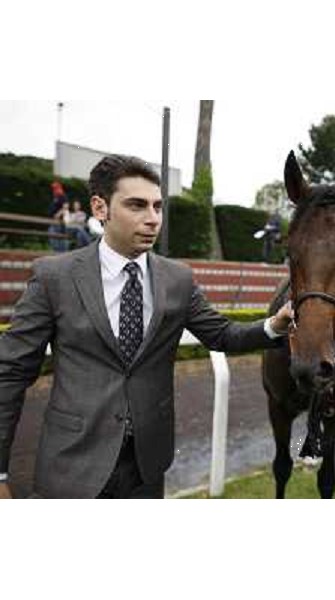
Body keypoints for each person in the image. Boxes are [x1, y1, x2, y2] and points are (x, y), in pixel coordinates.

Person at [0, 154, 293, 499]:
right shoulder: (54, 277)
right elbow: (10, 372)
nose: (153, 219)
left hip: (146, 467)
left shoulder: (177, 278)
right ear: (100, 208)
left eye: (157, 206)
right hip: (71, 465)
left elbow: (222, 334)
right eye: (137, 206)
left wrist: (274, 325)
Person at [48, 181, 69, 252]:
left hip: (59, 221)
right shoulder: (55, 196)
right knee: (54, 235)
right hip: (54, 220)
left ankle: (60, 252)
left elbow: (65, 207)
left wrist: (58, 215)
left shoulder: (62, 196)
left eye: (55, 187)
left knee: (57, 235)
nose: (53, 189)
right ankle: (58, 251)